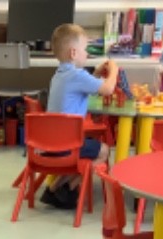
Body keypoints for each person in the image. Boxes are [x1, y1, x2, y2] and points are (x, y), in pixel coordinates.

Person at [43, 23, 118, 210]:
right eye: (85, 49)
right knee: (104, 151)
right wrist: (114, 70)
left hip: (48, 144)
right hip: (67, 146)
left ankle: (54, 189)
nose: (87, 54)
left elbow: (85, 85)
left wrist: (96, 73)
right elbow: (108, 89)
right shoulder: (77, 75)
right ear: (73, 53)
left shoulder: (59, 75)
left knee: (89, 148)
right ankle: (67, 188)